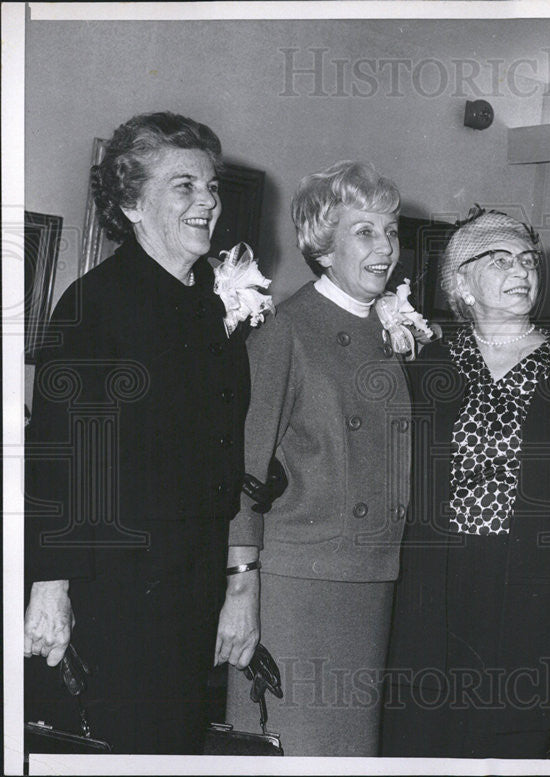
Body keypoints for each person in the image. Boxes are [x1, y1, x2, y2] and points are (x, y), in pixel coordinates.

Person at [24, 111, 253, 753]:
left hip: (191, 579)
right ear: (131, 203)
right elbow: (59, 458)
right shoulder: (97, 304)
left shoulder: (211, 305)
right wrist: (50, 588)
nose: (206, 201)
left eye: (210, 187)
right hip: (118, 589)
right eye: (184, 186)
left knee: (174, 745)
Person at [382, 207, 550, 758]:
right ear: (462, 282)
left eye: (528, 259)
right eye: (499, 260)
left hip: (530, 592)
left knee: (512, 741)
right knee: (422, 737)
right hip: (433, 589)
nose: (521, 270)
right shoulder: (426, 364)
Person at [215, 161, 413, 756]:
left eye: (391, 230)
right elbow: (244, 474)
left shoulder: (387, 333)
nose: (386, 247)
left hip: (371, 579)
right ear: (323, 249)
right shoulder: (286, 331)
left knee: (349, 754)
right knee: (291, 751)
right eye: (365, 232)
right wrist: (241, 590)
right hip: (297, 584)